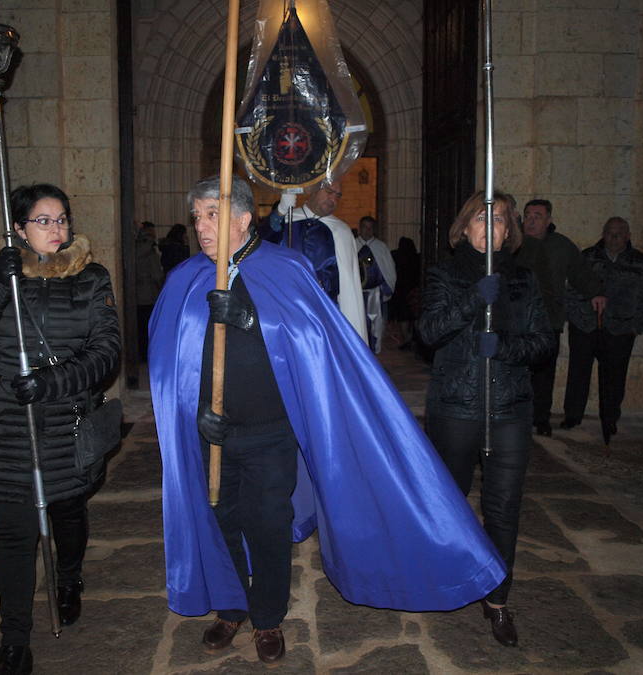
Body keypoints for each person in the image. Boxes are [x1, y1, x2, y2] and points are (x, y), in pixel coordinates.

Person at [150, 175, 506, 665]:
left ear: (243, 218)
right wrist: (195, 416)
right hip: (211, 435)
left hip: (271, 432)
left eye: (212, 215)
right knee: (221, 518)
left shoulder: (286, 268)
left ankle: (269, 616)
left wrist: (250, 321)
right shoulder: (186, 277)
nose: (201, 227)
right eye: (197, 217)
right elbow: (169, 365)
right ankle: (232, 606)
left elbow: (311, 342)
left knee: (267, 522)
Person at [0, 184, 120, 675]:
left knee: (67, 511)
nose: (57, 229)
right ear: (19, 229)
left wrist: (53, 381)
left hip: (65, 420)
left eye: (62, 219)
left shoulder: (90, 277)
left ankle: (68, 578)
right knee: (15, 535)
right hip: (9, 425)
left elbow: (106, 352)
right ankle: (14, 642)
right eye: (43, 221)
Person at [418, 190, 553, 647]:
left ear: (508, 232)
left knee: (503, 509)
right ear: (465, 226)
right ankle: (448, 578)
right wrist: (474, 299)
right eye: (482, 219)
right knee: (449, 503)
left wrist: (508, 349)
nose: (490, 228)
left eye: (499, 222)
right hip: (456, 406)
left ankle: (497, 599)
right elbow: (430, 332)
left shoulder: (524, 280)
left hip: (509, 408)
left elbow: (544, 342)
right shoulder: (443, 275)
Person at [562, 217, 643, 442]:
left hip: (620, 327)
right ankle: (573, 415)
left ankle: (610, 418)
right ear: (603, 234)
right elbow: (571, 289)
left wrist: (636, 326)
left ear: (628, 236)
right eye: (610, 233)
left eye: (619, 233)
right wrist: (577, 315)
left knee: (614, 376)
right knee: (578, 373)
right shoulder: (588, 257)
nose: (614, 238)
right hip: (585, 325)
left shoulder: (639, 262)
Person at [521, 199, 604, 436]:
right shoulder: (513, 243)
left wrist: (596, 292)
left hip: (548, 319)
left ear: (549, 220)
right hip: (518, 321)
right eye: (528, 215)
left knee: (544, 373)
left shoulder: (561, 246)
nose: (532, 220)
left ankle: (541, 418)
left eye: (537, 215)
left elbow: (580, 272)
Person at [263, 181, 367, 342]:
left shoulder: (341, 231)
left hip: (326, 316)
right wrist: (281, 211)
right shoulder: (287, 221)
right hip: (286, 312)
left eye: (337, 196)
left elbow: (348, 287)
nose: (333, 199)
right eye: (329, 192)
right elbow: (259, 243)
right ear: (313, 190)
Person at [355, 216, 397, 354]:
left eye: (370, 227)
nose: (367, 230)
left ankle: (375, 352)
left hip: (376, 294)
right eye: (365, 227)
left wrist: (386, 287)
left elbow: (389, 269)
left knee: (377, 325)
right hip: (356, 294)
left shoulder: (381, 247)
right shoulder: (352, 245)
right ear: (360, 228)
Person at [134, 220, 164, 361]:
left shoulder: (134, 248)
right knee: (149, 325)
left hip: (137, 294)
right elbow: (157, 274)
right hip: (150, 293)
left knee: (139, 327)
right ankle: (148, 354)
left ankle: (140, 353)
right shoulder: (151, 251)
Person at [390, 236, 422, 350]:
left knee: (403, 318)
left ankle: (407, 340)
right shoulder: (417, 258)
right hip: (414, 291)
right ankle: (415, 339)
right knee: (415, 316)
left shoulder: (396, 256)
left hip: (401, 292)